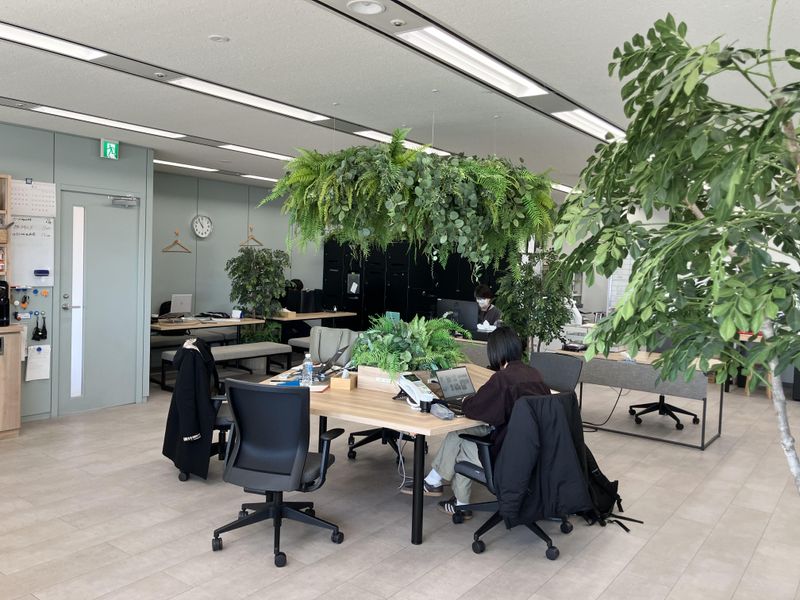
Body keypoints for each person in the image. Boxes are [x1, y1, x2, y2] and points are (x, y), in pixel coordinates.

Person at [401, 327, 551, 519]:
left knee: (464, 442)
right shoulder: (535, 375)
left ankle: (458, 503)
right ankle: (436, 483)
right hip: (535, 451)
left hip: (509, 457)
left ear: (495, 352)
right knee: (463, 433)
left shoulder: (503, 379)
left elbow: (474, 409)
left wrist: (464, 400)